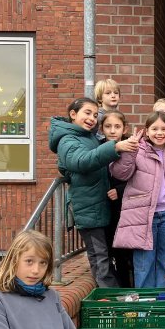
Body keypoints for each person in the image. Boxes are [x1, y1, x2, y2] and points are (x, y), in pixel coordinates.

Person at [49, 98, 139, 287]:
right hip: (88, 207)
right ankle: (108, 297)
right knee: (100, 258)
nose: (92, 118)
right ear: (73, 114)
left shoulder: (87, 137)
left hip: (99, 205)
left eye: (95, 114)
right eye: (87, 113)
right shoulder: (68, 139)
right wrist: (115, 147)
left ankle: (115, 294)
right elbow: (80, 161)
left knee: (107, 255)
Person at [111, 112, 165, 288]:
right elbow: (120, 173)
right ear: (147, 131)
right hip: (143, 217)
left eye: (164, 129)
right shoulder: (137, 152)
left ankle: (163, 301)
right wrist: (130, 152)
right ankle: (145, 303)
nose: (159, 133)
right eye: (155, 129)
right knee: (144, 264)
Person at [99, 110, 134, 287]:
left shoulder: (131, 148)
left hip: (125, 208)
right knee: (108, 251)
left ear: (124, 128)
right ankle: (116, 288)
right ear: (102, 129)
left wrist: (120, 190)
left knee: (124, 252)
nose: (112, 130)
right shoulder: (98, 149)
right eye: (108, 126)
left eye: (117, 126)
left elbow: (140, 177)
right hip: (104, 207)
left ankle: (128, 287)